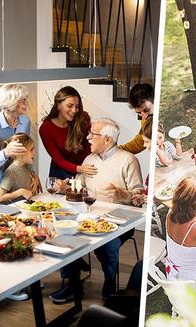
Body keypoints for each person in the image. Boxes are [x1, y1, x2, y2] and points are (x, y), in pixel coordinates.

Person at [51, 118, 144, 303]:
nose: (88, 138)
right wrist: (63, 187)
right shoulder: (89, 159)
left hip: (119, 221)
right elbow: (78, 186)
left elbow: (138, 196)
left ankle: (110, 283)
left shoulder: (128, 160)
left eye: (93, 134)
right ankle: (73, 285)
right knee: (64, 235)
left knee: (107, 246)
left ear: (108, 139)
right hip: (89, 217)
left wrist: (122, 194)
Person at [39, 86, 95, 179]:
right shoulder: (46, 128)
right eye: (69, 106)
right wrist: (80, 169)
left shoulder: (83, 119)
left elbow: (90, 146)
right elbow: (59, 160)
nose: (74, 110)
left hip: (85, 169)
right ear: (58, 105)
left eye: (77, 106)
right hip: (61, 173)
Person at [0, 133, 41, 204]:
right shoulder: (11, 172)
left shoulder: (27, 166)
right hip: (13, 212)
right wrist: (21, 192)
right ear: (20, 153)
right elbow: (1, 198)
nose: (34, 152)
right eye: (31, 149)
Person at [119, 83, 154, 155]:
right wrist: (117, 151)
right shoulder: (146, 119)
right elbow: (139, 143)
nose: (143, 117)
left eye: (146, 110)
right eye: (139, 113)